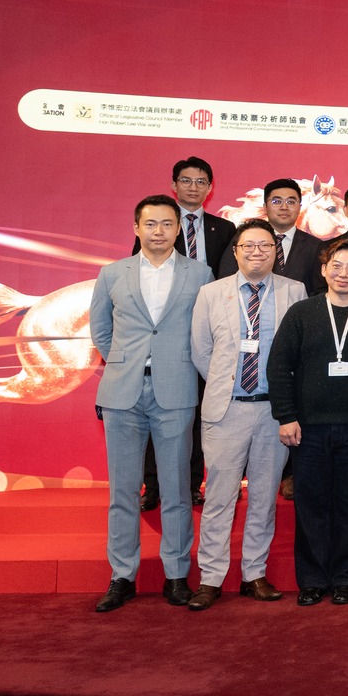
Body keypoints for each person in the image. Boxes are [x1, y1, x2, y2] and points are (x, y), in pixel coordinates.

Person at [90, 195, 211, 613]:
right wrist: (125, 362)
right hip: (123, 392)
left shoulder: (200, 273)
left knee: (177, 489)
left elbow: (204, 330)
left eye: (167, 224)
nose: (159, 231)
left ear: (179, 229)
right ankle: (122, 576)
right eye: (150, 224)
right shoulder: (112, 273)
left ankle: (176, 575)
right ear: (136, 228)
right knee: (123, 491)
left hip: (176, 391)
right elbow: (101, 330)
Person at [185, 217, 304, 610]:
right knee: (219, 499)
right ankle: (211, 578)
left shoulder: (294, 291)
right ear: (235, 252)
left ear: (276, 251)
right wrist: (229, 384)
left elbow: (299, 351)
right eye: (249, 246)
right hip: (227, 411)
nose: (257, 252)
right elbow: (201, 351)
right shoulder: (211, 293)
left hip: (273, 412)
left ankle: (254, 573)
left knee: (264, 498)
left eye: (265, 246)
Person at [267, 239, 348, 606]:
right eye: (337, 265)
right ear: (324, 270)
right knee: (311, 504)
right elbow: (278, 366)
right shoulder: (302, 313)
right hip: (309, 429)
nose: (343, 273)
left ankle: (347, 578)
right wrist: (286, 416)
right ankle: (313, 579)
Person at [134, 157, 232, 514]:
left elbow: (228, 278)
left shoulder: (225, 229)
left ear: (210, 187)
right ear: (174, 185)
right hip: (163, 335)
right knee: (153, 412)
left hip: (206, 333)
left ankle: (192, 484)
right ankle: (153, 486)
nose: (194, 187)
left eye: (201, 181)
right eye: (186, 180)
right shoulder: (155, 224)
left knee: (198, 413)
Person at [217, 177, 319, 282]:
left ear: (300, 207)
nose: (284, 207)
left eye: (291, 202)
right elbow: (226, 280)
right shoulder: (243, 240)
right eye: (276, 201)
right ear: (265, 207)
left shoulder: (316, 246)